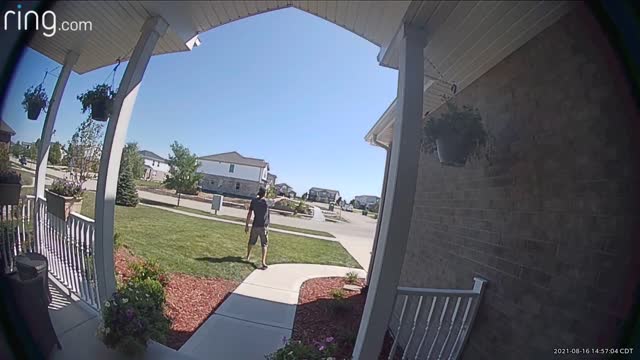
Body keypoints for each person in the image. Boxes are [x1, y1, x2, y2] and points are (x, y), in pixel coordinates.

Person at [245, 187, 273, 269]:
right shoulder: (266, 202)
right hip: (264, 227)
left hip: (255, 226)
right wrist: (283, 197)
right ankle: (263, 262)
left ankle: (248, 256)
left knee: (251, 242)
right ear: (265, 193)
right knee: (264, 244)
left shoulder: (254, 201)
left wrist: (247, 225)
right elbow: (275, 200)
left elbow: (249, 213)